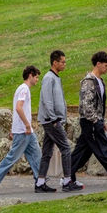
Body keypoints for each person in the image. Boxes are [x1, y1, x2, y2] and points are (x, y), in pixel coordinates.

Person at [67, 51, 107, 187]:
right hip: (91, 121)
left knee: (82, 151)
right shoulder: (89, 82)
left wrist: (101, 121)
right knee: (103, 149)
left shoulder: (99, 81)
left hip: (94, 121)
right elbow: (86, 106)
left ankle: (67, 175)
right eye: (106, 65)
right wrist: (96, 121)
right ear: (98, 64)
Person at [0, 64, 43, 195]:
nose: (37, 80)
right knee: (12, 158)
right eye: (36, 77)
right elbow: (18, 108)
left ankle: (40, 181)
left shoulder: (21, 89)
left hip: (25, 131)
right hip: (23, 131)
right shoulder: (24, 89)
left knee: (36, 155)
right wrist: (27, 125)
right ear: (30, 76)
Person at [36, 49, 77, 192]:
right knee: (65, 148)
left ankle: (40, 183)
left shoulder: (55, 77)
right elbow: (47, 100)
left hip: (51, 119)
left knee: (47, 151)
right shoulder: (49, 78)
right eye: (63, 62)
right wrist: (54, 118)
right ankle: (67, 181)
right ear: (55, 62)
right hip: (51, 120)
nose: (65, 64)